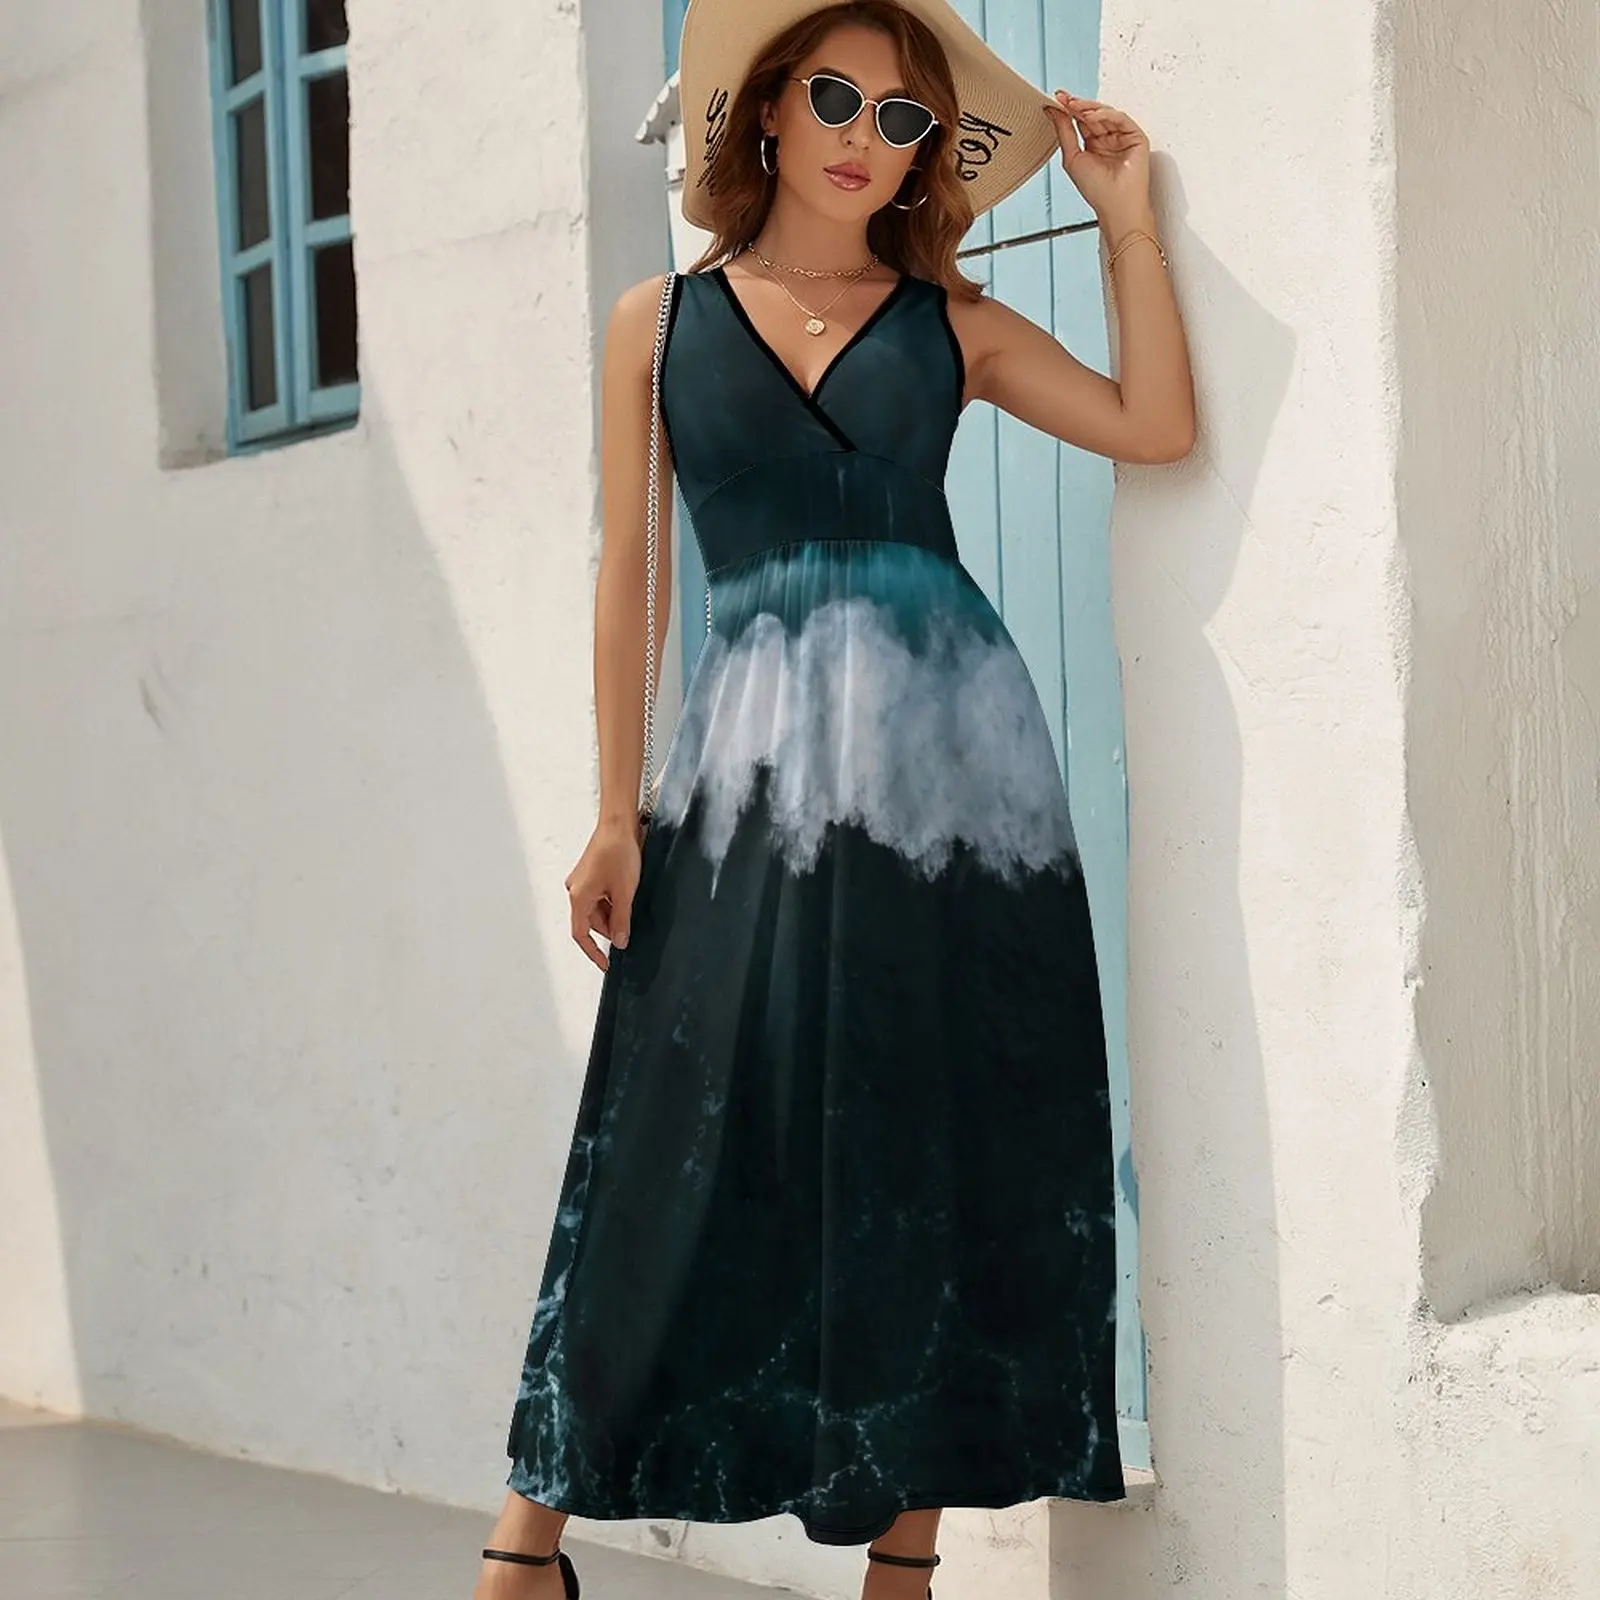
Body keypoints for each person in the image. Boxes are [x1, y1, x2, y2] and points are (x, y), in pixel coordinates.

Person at [476, 0, 1193, 1594]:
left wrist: (1126, 222)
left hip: (961, 788)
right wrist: (616, 811)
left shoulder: (953, 326)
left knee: (936, 1135)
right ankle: (527, 1544)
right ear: (767, 112)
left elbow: (1154, 425)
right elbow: (630, 576)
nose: (870, 139)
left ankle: (903, 1569)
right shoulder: (659, 322)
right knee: (665, 1130)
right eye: (838, 100)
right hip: (743, 780)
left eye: (906, 120)